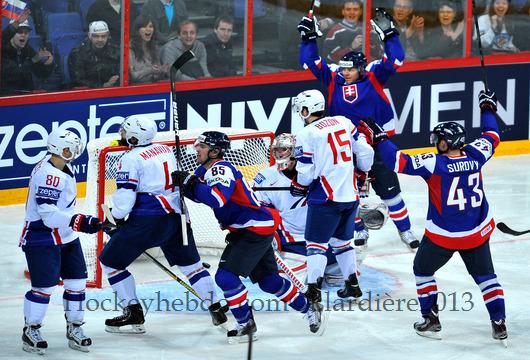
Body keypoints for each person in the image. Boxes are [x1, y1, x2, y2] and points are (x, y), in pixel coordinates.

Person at [358, 89, 508, 345]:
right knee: (487, 277)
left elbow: (395, 161)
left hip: (444, 236)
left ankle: (431, 319)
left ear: (446, 143)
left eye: (439, 140)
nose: (435, 142)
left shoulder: (434, 164)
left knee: (422, 269)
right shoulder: (476, 153)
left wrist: (381, 138)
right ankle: (499, 323)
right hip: (477, 232)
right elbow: (491, 135)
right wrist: (487, 108)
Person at [172, 131, 327, 342]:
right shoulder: (205, 170)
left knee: (225, 278)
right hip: (253, 227)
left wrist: (191, 183)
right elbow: (201, 196)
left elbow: (217, 199)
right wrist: (186, 184)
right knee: (269, 281)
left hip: (253, 228)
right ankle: (309, 307)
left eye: (202, 146)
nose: (196, 149)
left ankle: (246, 324)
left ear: (215, 151)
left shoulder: (221, 168)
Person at [298, 7, 419, 249]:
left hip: (377, 146)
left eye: (350, 69)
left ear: (361, 68)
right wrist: (308, 39)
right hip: (346, 150)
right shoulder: (333, 78)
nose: (345, 72)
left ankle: (405, 231)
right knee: (352, 196)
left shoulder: (374, 74)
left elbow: (396, 59)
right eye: (343, 68)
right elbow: (309, 62)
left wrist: (390, 34)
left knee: (391, 194)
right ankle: (359, 230)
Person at [99, 115, 226, 333]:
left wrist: (116, 218)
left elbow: (125, 198)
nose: (121, 135)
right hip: (177, 217)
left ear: (134, 137)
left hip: (148, 220)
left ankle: (133, 313)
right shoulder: (164, 149)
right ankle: (216, 306)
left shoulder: (130, 159)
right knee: (191, 266)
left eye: (124, 132)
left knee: (110, 262)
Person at [19, 128, 102, 354]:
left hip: (66, 235)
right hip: (42, 236)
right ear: (58, 149)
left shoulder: (61, 165)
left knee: (76, 284)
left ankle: (75, 327)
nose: (74, 152)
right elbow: (48, 216)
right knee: (43, 288)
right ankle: (31, 330)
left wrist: (78, 223)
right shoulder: (48, 174)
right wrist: (80, 221)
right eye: (69, 148)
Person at [290, 89, 374, 307]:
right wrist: (363, 172)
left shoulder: (306, 134)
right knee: (342, 242)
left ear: (307, 110)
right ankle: (353, 286)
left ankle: (313, 291)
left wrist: (299, 185)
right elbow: (365, 152)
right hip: (350, 195)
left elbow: (306, 173)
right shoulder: (343, 122)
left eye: (301, 109)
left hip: (326, 196)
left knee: (315, 244)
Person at [252, 133, 345, 285]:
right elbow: (262, 213)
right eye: (277, 149)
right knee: (292, 285)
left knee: (351, 253)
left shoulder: (318, 172)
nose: (280, 154)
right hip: (292, 243)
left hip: (324, 240)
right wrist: (270, 236)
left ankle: (331, 268)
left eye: (285, 150)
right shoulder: (265, 177)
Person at [1, 13, 54, 95]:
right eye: (19, 32)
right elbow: (14, 75)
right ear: (11, 35)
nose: (23, 35)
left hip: (27, 95)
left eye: (26, 32)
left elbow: (41, 74)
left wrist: (48, 64)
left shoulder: (28, 49)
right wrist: (33, 60)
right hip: (7, 97)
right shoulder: (3, 50)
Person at [68, 21, 120, 88]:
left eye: (103, 36)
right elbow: (78, 80)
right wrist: (103, 85)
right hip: (88, 93)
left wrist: (115, 81)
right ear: (89, 36)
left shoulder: (115, 50)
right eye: (96, 36)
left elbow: (123, 73)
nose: (100, 39)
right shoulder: (77, 53)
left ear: (108, 36)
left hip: (112, 90)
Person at [129, 15, 170, 84]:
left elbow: (156, 74)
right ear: (137, 30)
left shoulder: (154, 47)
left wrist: (163, 70)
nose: (148, 29)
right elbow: (133, 76)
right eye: (144, 26)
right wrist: (150, 70)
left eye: (150, 26)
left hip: (152, 87)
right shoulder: (129, 48)